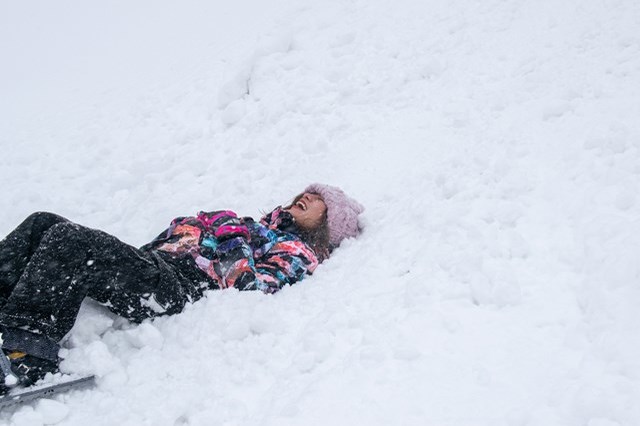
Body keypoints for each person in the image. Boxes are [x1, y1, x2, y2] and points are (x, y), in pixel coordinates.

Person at [0, 183, 364, 393]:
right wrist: (194, 227)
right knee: (42, 223)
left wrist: (230, 235)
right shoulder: (258, 226)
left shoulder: (297, 251)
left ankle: (26, 355)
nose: (309, 196)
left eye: (321, 202)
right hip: (157, 265)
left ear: (328, 226)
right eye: (310, 191)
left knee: (70, 240)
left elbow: (252, 287)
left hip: (179, 288)